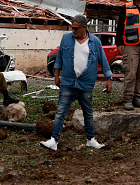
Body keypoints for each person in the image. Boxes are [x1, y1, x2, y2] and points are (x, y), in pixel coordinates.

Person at [40, 15, 113, 151]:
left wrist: (109, 79)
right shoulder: (66, 38)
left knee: (88, 113)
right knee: (60, 111)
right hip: (68, 82)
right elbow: (59, 57)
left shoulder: (95, 42)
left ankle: (90, 139)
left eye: (76, 28)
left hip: (86, 84)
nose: (73, 31)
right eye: (71, 28)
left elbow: (103, 61)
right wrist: (56, 75)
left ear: (84, 28)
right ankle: (53, 140)